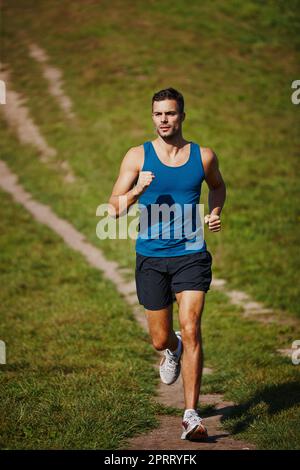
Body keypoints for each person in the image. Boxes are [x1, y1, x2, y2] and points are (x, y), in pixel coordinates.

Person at [108, 88, 226, 440]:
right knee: (160, 339)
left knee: (192, 327)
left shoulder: (202, 156)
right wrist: (136, 192)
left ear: (182, 116)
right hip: (152, 258)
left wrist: (216, 211)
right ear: (152, 116)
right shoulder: (137, 157)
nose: (164, 120)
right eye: (158, 114)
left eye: (170, 114)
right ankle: (170, 349)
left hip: (191, 255)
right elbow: (113, 208)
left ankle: (191, 414)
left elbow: (218, 187)